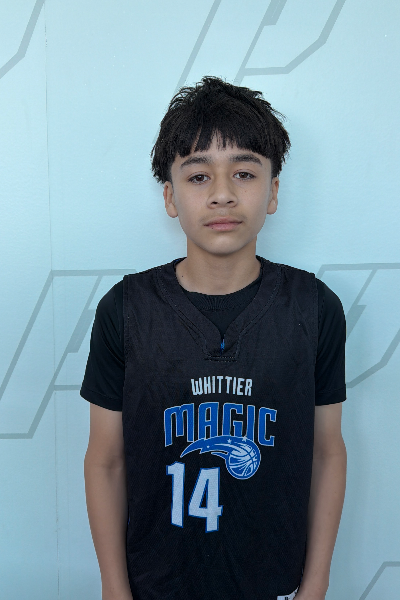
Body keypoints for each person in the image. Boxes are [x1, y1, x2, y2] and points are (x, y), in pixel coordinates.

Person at [81, 76, 347, 600]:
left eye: (244, 173)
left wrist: (316, 585)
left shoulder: (314, 307)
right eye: (199, 176)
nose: (222, 193)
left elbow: (326, 453)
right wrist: (114, 587)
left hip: (274, 584)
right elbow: (105, 460)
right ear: (170, 196)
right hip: (155, 584)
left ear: (273, 192)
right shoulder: (126, 309)